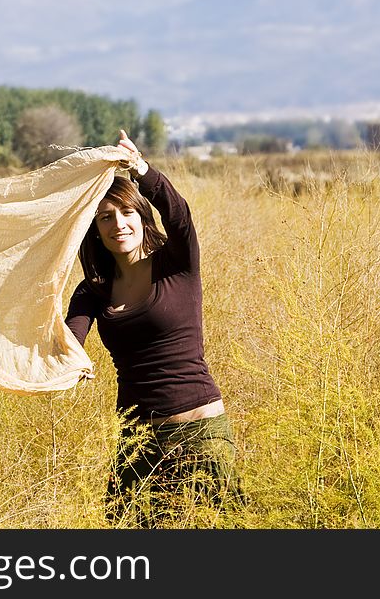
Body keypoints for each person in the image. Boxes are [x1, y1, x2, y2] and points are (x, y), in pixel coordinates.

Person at [65, 129, 245, 527]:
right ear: (95, 229)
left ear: (142, 217)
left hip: (201, 435)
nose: (118, 225)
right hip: (138, 443)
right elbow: (68, 341)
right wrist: (65, 363)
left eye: (126, 213)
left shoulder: (176, 264)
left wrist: (142, 169)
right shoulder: (93, 289)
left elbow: (179, 213)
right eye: (105, 217)